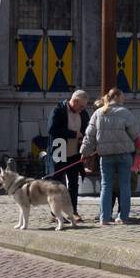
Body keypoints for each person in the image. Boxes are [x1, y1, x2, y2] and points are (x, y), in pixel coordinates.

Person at [80, 88, 140, 226]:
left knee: (106, 186)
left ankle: (104, 218)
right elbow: (135, 134)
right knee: (125, 186)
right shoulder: (125, 113)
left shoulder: (98, 113)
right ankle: (123, 217)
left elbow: (89, 136)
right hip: (124, 155)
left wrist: (84, 153)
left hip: (106, 156)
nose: (124, 99)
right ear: (117, 96)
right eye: (123, 97)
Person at [47, 90, 89, 223]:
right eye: (81, 106)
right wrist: (73, 134)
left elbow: (87, 129)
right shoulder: (58, 110)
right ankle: (55, 213)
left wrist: (84, 139)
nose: (83, 109)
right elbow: (52, 130)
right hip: (59, 152)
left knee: (73, 184)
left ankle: (73, 211)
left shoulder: (83, 113)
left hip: (75, 154)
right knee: (57, 184)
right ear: (75, 101)